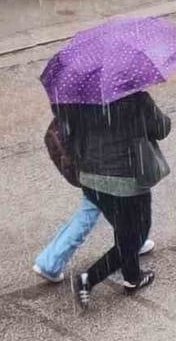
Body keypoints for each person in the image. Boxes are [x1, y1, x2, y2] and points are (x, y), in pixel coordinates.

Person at [55, 90, 172, 305]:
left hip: (91, 180)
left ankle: (132, 277)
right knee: (136, 236)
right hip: (126, 180)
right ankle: (88, 278)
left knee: (123, 227)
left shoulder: (79, 100)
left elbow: (67, 134)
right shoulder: (136, 98)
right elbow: (162, 128)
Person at [33, 118, 152, 284]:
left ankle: (132, 243)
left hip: (88, 163)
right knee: (95, 207)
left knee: (102, 205)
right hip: (105, 167)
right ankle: (51, 262)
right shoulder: (109, 100)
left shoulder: (78, 99)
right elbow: (157, 126)